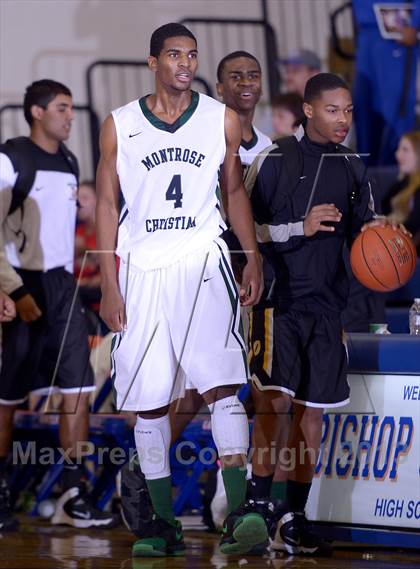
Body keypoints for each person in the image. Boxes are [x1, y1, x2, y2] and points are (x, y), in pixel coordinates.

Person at [96, 25, 265, 558]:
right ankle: (162, 521)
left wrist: (251, 254)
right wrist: (108, 281)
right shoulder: (119, 125)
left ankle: (240, 512)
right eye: (175, 55)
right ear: (153, 62)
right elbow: (104, 204)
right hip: (142, 266)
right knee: (149, 403)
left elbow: (233, 190)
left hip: (202, 261)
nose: (186, 63)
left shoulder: (221, 118)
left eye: (192, 55)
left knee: (220, 386)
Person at [247, 73, 403, 555]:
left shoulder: (355, 167)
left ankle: (294, 513)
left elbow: (364, 235)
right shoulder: (273, 159)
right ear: (309, 110)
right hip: (280, 301)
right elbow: (244, 234)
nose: (343, 119)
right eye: (333, 110)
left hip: (326, 305)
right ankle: (256, 507)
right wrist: (301, 225)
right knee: (274, 405)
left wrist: (387, 241)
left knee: (311, 414)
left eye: (349, 110)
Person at [0, 79, 119, 530]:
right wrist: (10, 291)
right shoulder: (10, 159)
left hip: (62, 285)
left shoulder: (70, 161)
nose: (71, 117)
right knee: (9, 391)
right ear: (36, 111)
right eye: (62, 108)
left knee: (78, 387)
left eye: (71, 109)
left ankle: (74, 491)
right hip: (21, 285)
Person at [352, 0, 419, 165]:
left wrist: (416, 22)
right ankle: (366, 183)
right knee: (364, 114)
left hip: (396, 34)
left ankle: (398, 181)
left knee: (395, 116)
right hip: (366, 34)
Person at [382, 130, 420, 251]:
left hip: (406, 249)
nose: (397, 155)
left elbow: (413, 226)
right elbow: (381, 207)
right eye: (399, 149)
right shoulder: (402, 183)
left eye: (405, 150)